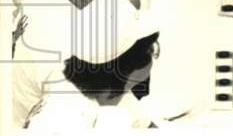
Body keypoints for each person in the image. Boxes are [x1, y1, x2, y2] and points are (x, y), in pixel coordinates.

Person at [24, 28, 162, 130]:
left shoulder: (117, 93)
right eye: (150, 50)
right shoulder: (63, 121)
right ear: (128, 68)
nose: (154, 55)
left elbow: (148, 127)